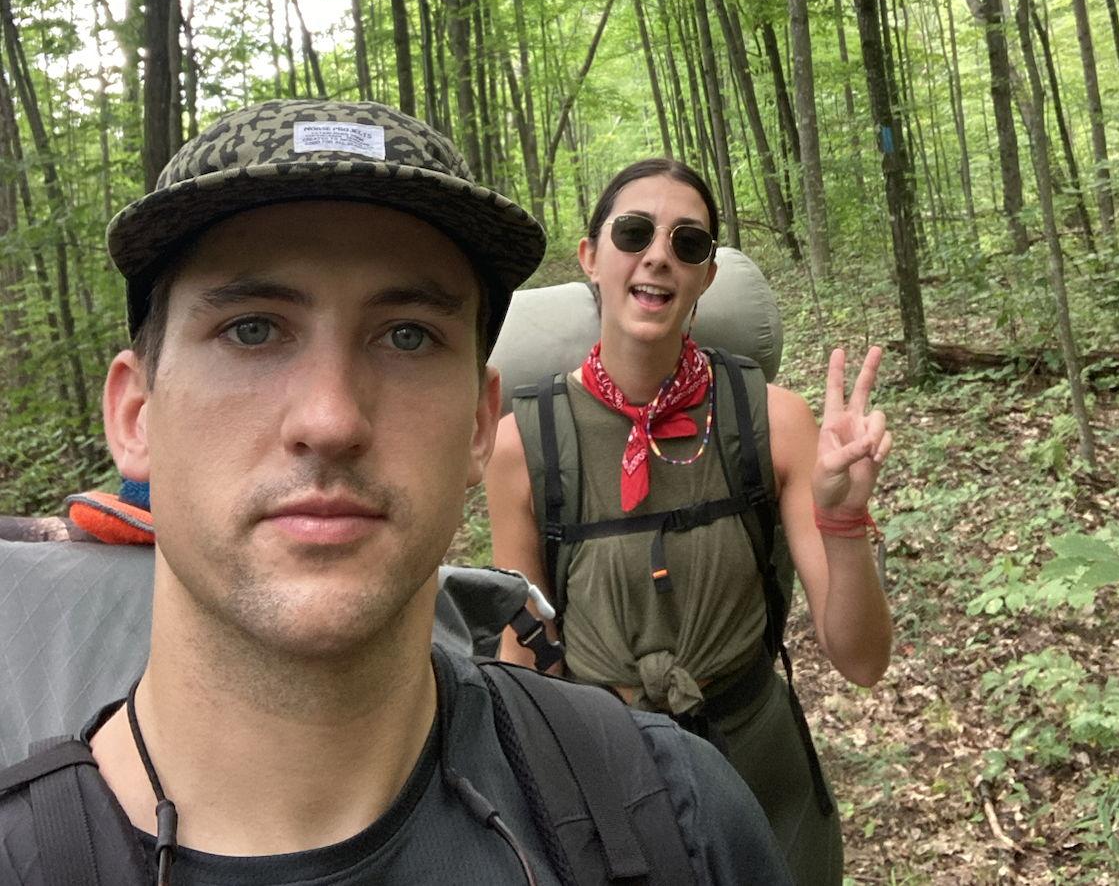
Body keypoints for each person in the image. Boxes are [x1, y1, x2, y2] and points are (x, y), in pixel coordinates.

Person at [0, 103, 793, 885]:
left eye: (407, 334)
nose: (331, 418)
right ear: (137, 416)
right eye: (252, 329)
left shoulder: (677, 821)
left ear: (481, 424)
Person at [486, 158, 894, 886]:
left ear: (707, 275)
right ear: (591, 257)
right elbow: (524, 657)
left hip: (767, 786)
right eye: (634, 232)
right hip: (610, 789)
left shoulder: (772, 419)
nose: (658, 256)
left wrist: (844, 517)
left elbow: (861, 660)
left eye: (689, 243)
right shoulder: (526, 444)